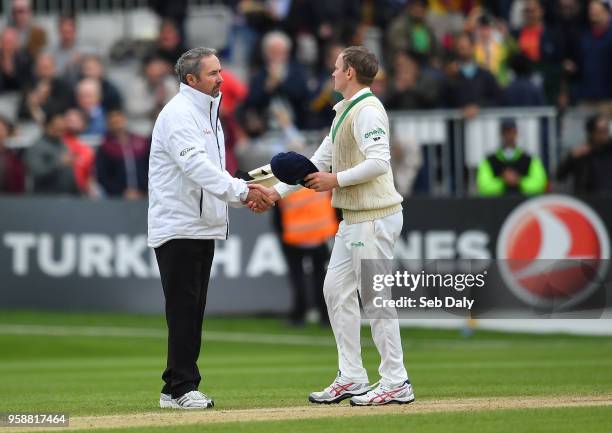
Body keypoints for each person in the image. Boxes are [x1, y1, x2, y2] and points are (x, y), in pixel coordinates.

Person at [254, 46, 415, 406]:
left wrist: (335, 180)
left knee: (375, 300)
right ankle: (353, 376)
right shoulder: (345, 111)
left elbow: (378, 162)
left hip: (374, 216)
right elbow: (314, 163)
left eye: (336, 68)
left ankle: (396, 380)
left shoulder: (368, 111)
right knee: (335, 291)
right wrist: (275, 194)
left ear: (351, 73)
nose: (332, 73)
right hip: (354, 218)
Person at [147, 47, 273, 410]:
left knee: (192, 310)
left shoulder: (208, 113)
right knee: (184, 310)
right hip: (179, 225)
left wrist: (240, 193)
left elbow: (210, 174)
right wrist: (243, 192)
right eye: (213, 73)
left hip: (200, 225)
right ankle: (179, 389)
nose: (221, 78)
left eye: (220, 71)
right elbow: (197, 170)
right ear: (191, 80)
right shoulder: (179, 114)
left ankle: (178, 387)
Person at [477, 118, 548, 196]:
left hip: (524, 204)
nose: (509, 136)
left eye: (512, 132)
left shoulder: (530, 159)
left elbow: (540, 184)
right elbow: (483, 187)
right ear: (501, 135)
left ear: (516, 133)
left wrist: (519, 181)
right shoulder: (489, 160)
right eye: (506, 133)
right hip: (496, 205)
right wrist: (503, 180)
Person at [96, 110, 150, 199]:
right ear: (109, 125)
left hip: (144, 195)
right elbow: (102, 176)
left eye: (120, 121)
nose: (118, 126)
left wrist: (145, 189)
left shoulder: (141, 143)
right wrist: (120, 191)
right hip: (117, 198)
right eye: (114, 123)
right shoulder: (106, 148)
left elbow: (150, 166)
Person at [557, 114, 612, 194]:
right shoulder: (582, 154)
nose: (605, 135)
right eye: (601, 131)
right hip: (587, 201)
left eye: (606, 131)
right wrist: (571, 157)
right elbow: (559, 176)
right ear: (592, 133)